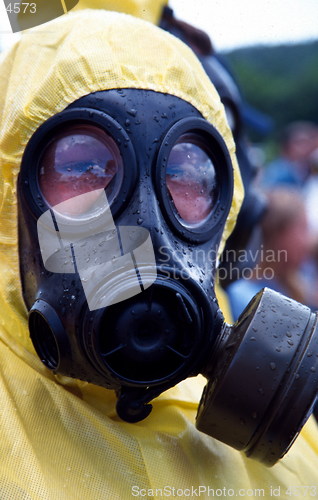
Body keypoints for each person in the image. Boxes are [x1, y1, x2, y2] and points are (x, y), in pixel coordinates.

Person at [1, 6, 318, 500]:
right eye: (83, 164)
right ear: (11, 197)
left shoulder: (295, 462)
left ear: (230, 211)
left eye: (186, 172)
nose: (144, 221)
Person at [227, 188, 311, 320]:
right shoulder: (243, 297)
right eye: (302, 229)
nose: (307, 240)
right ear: (278, 233)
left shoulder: (296, 285)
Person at [262, 121, 318, 189]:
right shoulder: (276, 172)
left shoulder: (309, 168)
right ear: (286, 145)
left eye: (308, 142)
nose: (305, 146)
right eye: (299, 143)